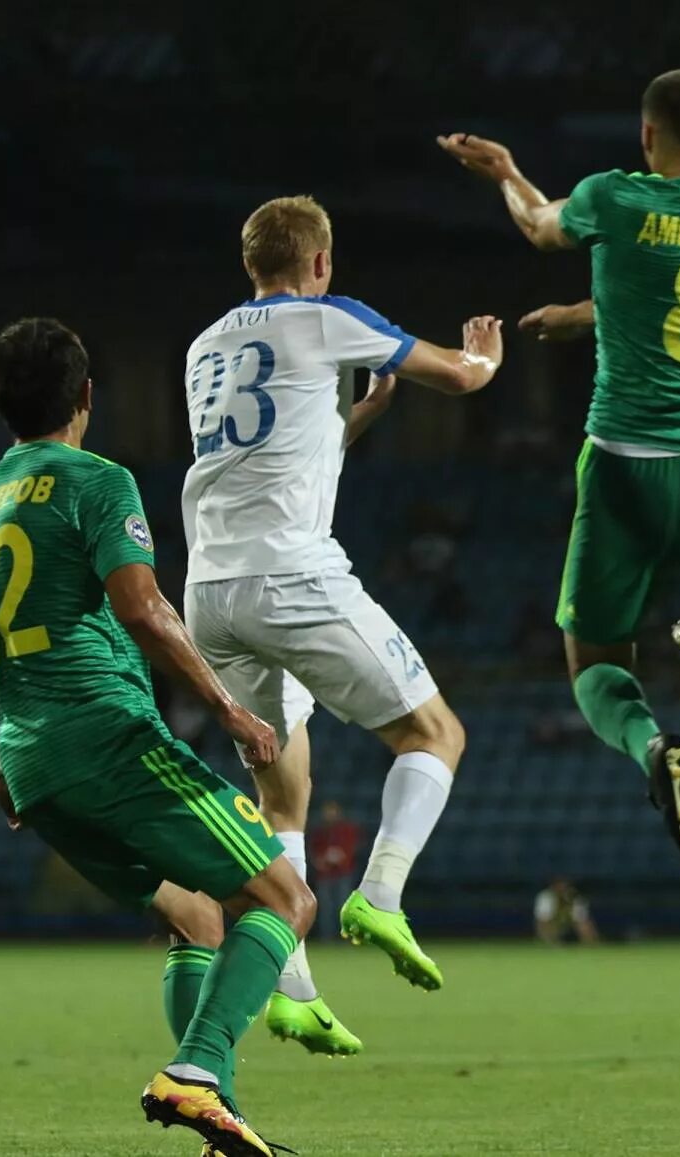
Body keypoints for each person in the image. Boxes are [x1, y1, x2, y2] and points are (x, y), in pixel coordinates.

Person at [0, 317, 313, 1157]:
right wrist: (230, 708)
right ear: (86, 397)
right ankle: (199, 1070)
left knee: (197, 921)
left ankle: (216, 1121)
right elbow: (142, 607)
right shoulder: (96, 479)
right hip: (107, 738)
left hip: (34, 767)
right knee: (287, 900)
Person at [438, 69, 680, 866]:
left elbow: (539, 224)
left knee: (596, 662)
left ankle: (649, 748)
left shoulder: (616, 198)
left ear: (646, 135)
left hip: (622, 465)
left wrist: (505, 172)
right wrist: (588, 314)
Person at [180, 194, 503, 1054]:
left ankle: (289, 990)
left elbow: (270, 455)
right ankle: (383, 893)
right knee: (434, 733)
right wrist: (482, 359)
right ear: (320, 263)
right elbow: (458, 377)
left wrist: (355, 417)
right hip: (292, 577)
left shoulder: (204, 345)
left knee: (279, 793)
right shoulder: (328, 317)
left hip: (210, 592)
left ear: (250, 262)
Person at [307, 800, 361, 941]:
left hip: (343, 873)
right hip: (325, 875)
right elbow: (314, 852)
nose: (329, 815)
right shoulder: (320, 831)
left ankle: (345, 937)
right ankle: (327, 938)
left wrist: (341, 857)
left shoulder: (346, 829)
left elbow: (351, 849)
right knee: (326, 908)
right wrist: (322, 860)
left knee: (343, 906)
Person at [533, 878, 598, 946]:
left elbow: (582, 921)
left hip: (568, 922)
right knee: (544, 924)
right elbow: (543, 920)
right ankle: (548, 944)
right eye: (559, 886)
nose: (562, 888)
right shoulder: (546, 896)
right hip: (554, 922)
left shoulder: (575, 897)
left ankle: (590, 945)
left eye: (565, 886)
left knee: (584, 924)